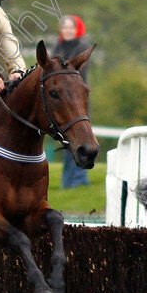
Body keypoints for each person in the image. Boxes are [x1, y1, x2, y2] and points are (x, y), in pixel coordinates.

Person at [52, 15, 91, 188]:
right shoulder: (58, 47)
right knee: (67, 142)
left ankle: (79, 180)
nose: (67, 30)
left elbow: (74, 75)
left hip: (75, 102)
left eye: (70, 27)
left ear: (77, 30)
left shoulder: (82, 47)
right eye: (64, 27)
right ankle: (67, 182)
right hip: (61, 101)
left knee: (80, 139)